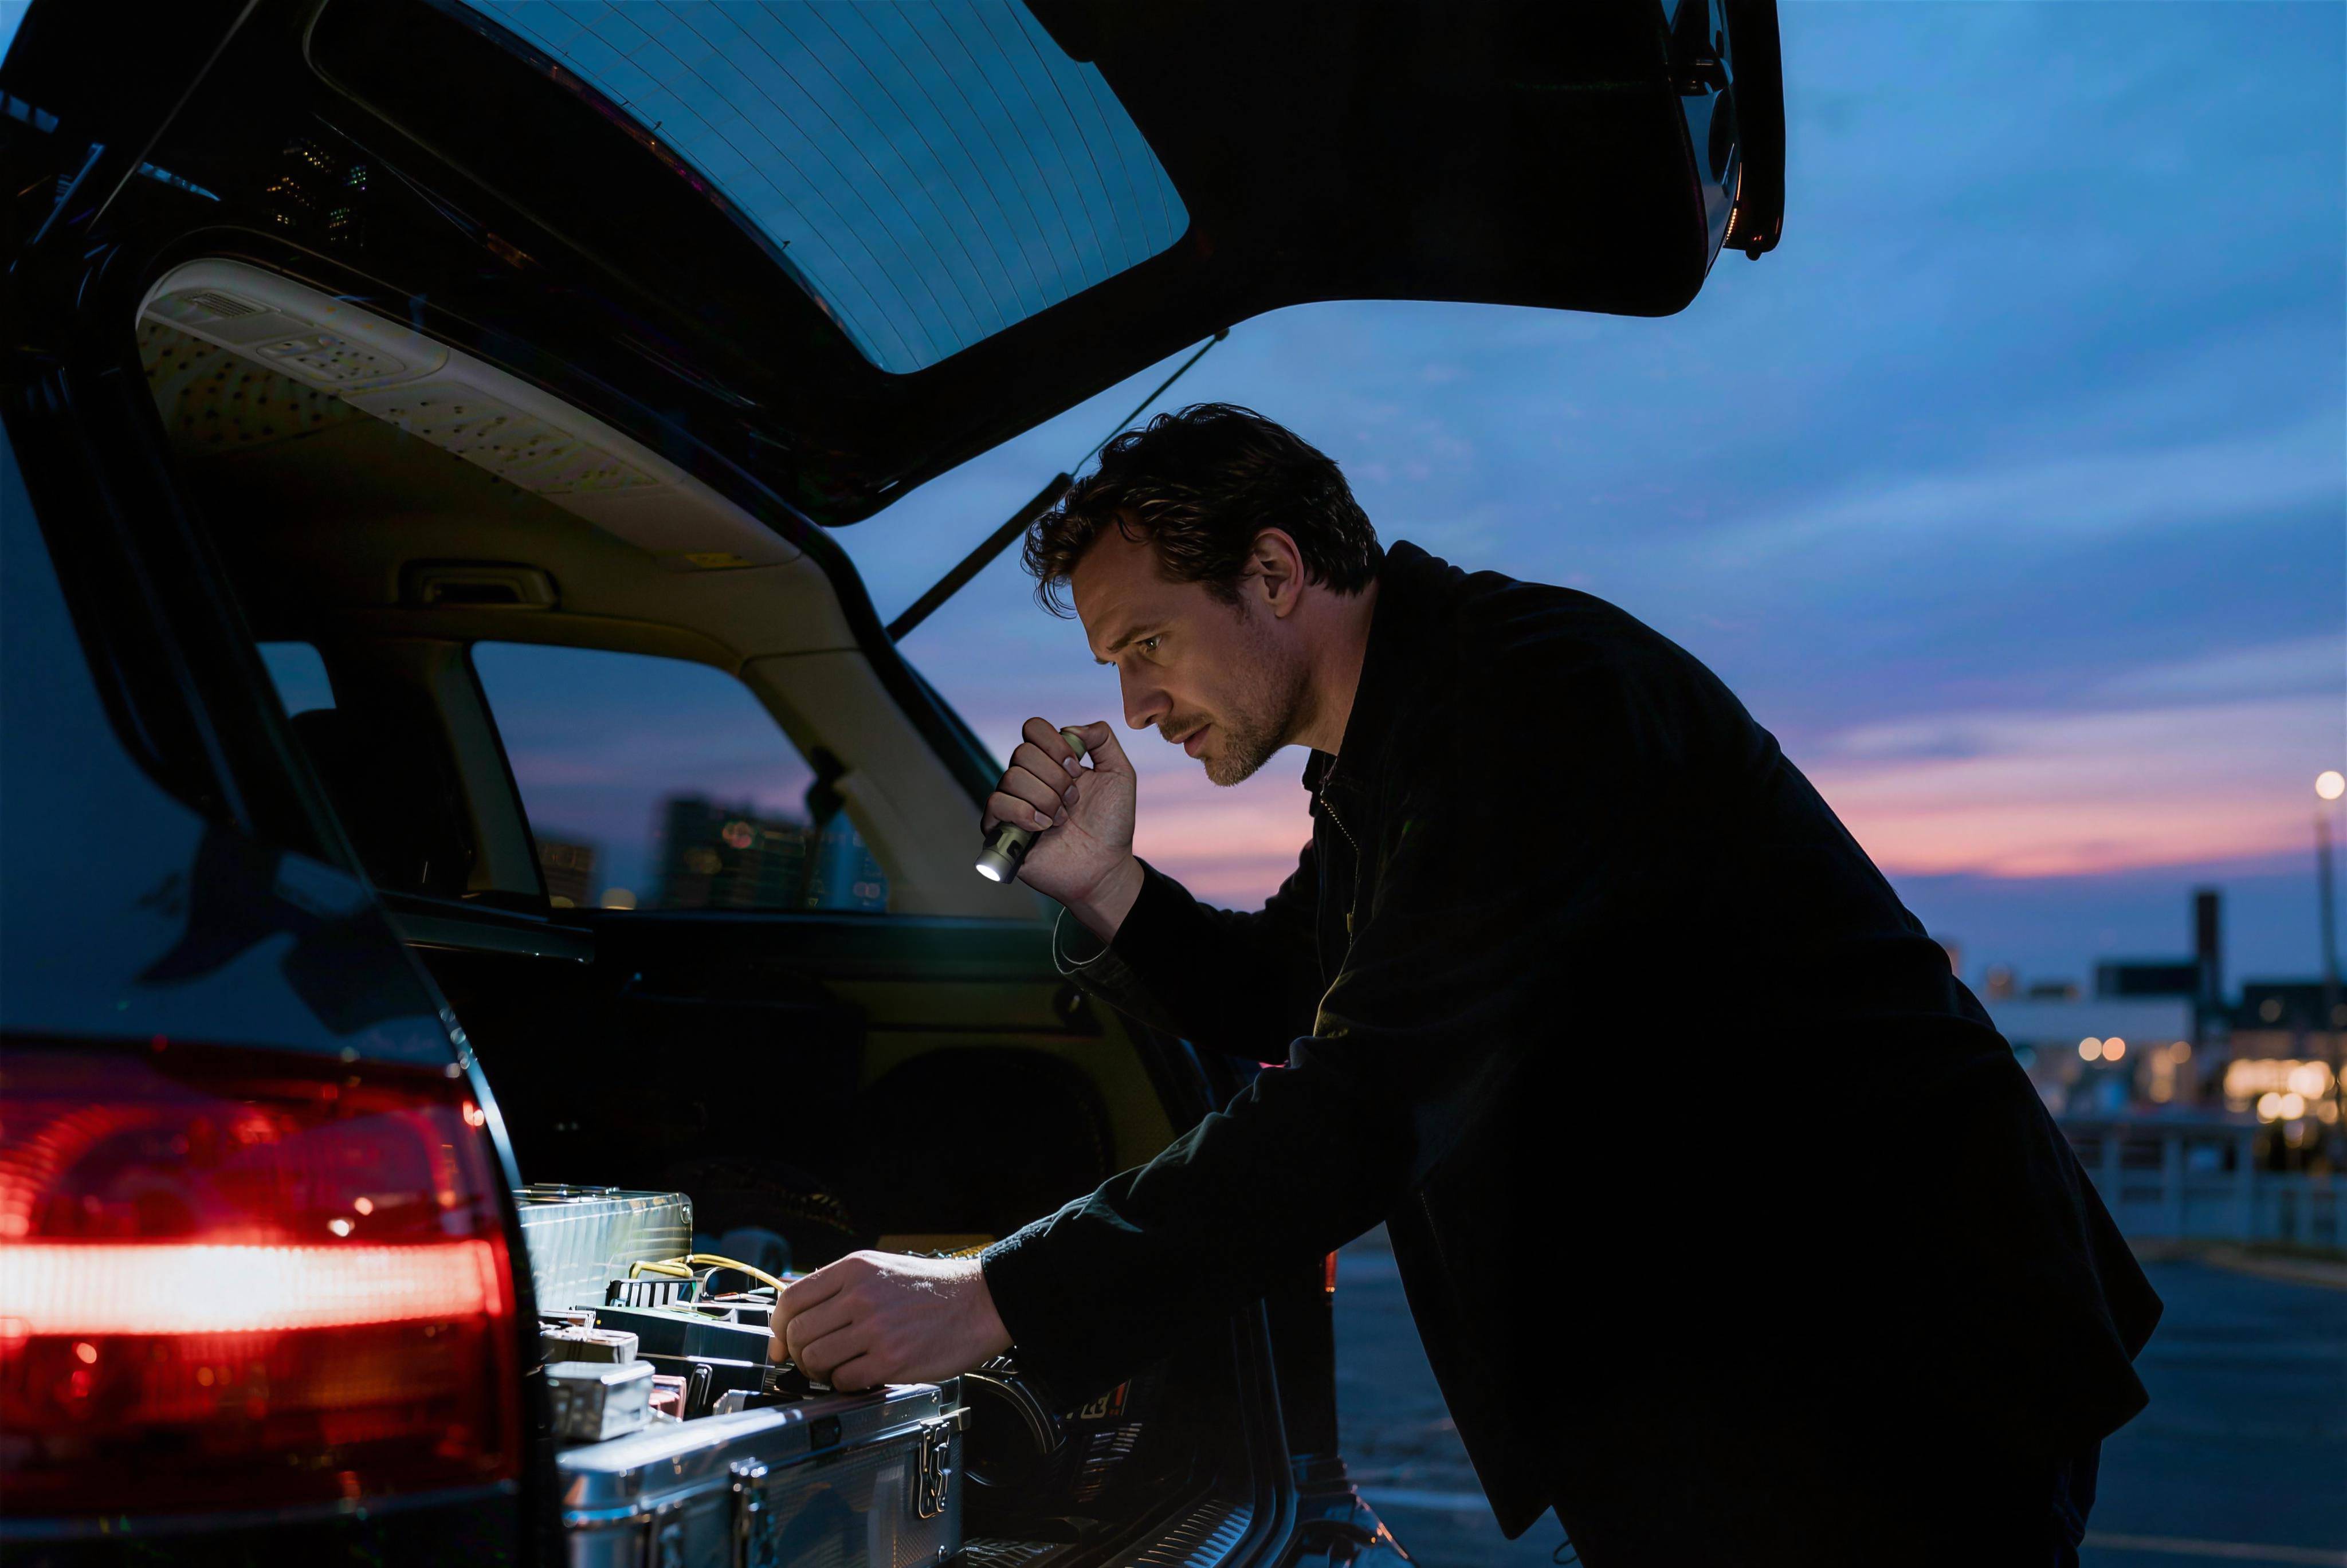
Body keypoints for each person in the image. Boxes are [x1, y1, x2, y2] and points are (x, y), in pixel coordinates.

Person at [770, 404, 2160, 1566]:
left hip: (1880, 1365)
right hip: (1737, 1366)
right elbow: (1282, 998)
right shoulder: (1399, 744)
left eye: (1145, 644)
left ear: (1270, 570)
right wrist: (1096, 878)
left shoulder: (1527, 703)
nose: (1134, 706)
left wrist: (993, 1297)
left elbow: (1366, 1099)